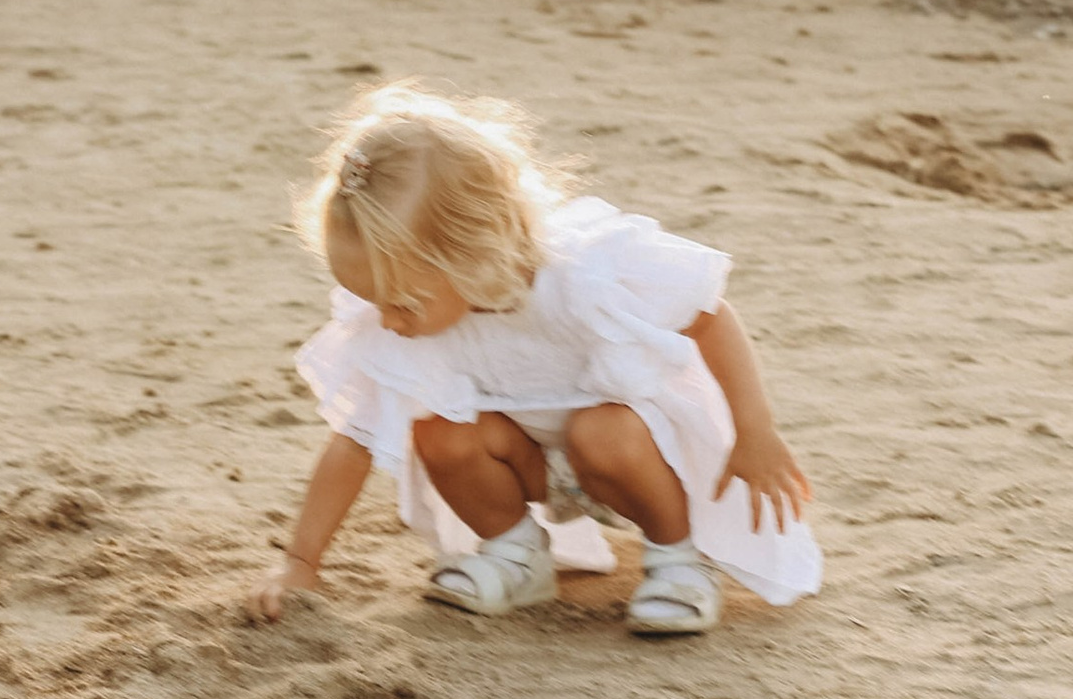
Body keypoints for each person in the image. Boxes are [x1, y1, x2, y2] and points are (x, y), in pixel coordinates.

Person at [247, 84, 819, 635]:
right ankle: (517, 555)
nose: (390, 321)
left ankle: (679, 560)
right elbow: (354, 439)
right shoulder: (415, 319)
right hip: (534, 465)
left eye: (403, 303)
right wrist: (301, 562)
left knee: (604, 428)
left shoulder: (582, 278)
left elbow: (710, 314)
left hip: (638, 458)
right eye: (377, 303)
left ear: (472, 253)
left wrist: (756, 432)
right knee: (439, 431)